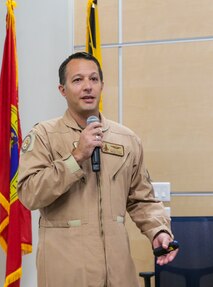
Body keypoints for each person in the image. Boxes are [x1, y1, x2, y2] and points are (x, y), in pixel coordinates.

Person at [18, 52, 177, 287]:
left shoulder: (126, 138)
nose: (87, 87)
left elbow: (142, 199)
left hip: (118, 273)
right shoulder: (44, 136)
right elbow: (29, 194)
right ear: (62, 90)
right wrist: (76, 158)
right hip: (66, 273)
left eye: (93, 79)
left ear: (102, 85)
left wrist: (159, 231)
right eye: (78, 80)